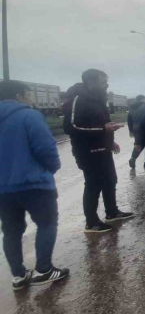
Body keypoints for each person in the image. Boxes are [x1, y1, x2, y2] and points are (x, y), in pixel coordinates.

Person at [0, 80, 69, 290]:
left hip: (3, 188)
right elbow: (46, 148)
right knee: (47, 224)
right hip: (35, 184)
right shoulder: (29, 116)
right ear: (20, 96)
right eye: (29, 94)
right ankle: (44, 269)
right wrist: (53, 167)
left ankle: (19, 276)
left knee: (10, 231)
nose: (31, 98)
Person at [63, 69, 134, 233]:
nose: (107, 85)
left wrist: (111, 141)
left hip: (103, 148)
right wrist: (103, 129)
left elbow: (102, 124)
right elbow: (70, 127)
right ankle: (91, 222)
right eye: (103, 82)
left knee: (110, 180)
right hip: (87, 151)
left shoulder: (99, 99)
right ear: (91, 82)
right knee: (93, 185)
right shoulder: (78, 99)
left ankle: (112, 212)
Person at [127, 95, 145, 169]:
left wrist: (130, 130)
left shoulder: (131, 107)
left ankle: (133, 158)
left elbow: (129, 120)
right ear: (143, 99)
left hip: (135, 128)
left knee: (138, 144)